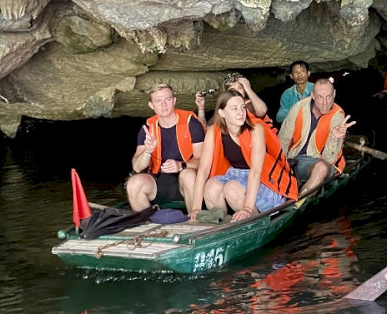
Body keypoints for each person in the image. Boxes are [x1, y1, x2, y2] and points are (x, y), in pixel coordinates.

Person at [189, 90, 298, 221]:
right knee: (211, 186)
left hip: (264, 178)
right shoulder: (214, 131)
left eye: (242, 108)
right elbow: (203, 170)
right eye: (234, 109)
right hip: (234, 174)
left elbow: (256, 171)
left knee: (231, 188)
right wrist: (196, 208)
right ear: (222, 113)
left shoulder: (255, 129)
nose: (241, 113)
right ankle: (223, 223)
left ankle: (256, 218)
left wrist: (247, 208)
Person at [126, 83, 206, 211]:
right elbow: (137, 166)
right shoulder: (148, 128)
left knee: (188, 175)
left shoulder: (192, 124)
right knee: (133, 183)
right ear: (151, 105)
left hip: (187, 183)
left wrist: (181, 165)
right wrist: (148, 151)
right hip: (159, 182)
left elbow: (203, 160)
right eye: (158, 101)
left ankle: (195, 219)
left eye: (167, 99)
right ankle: (148, 224)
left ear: (174, 101)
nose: (164, 105)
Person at [279, 78, 355, 193]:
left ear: (334, 94)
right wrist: (280, 166)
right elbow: (283, 139)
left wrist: (334, 138)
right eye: (320, 97)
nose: (325, 103)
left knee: (321, 168)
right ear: (313, 96)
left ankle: (297, 205)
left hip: (319, 162)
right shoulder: (299, 107)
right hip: (295, 158)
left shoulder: (337, 118)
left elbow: (328, 160)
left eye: (328, 97)